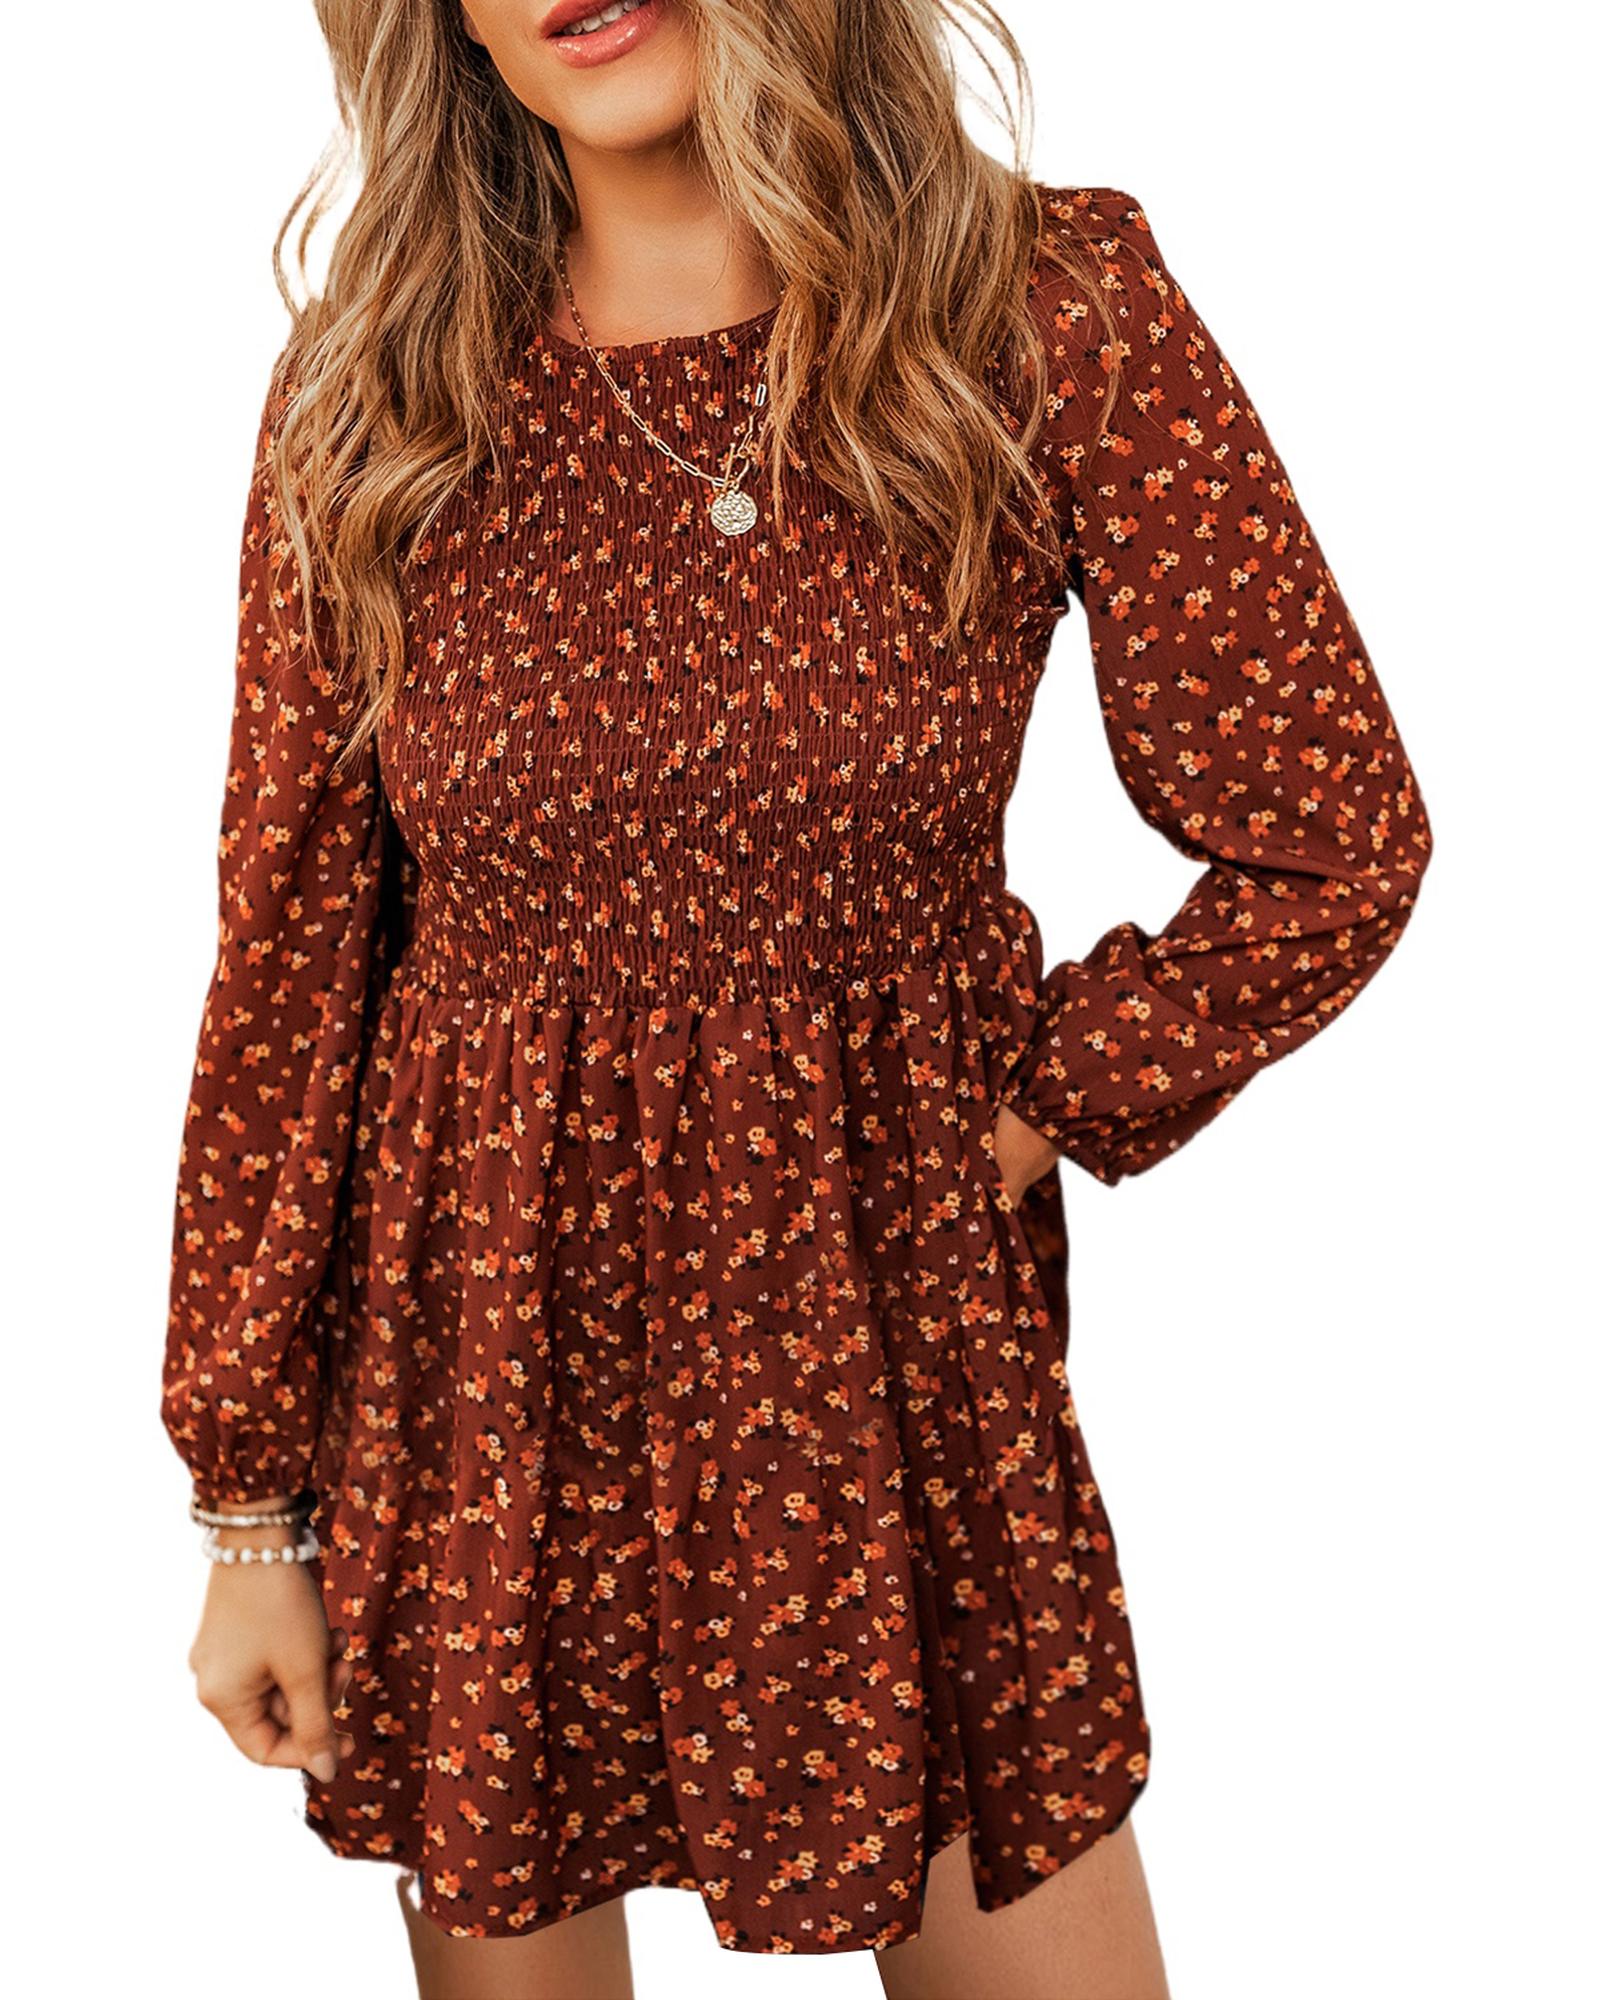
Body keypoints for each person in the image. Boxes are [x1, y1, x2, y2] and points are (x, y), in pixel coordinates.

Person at [161, 3, 1431, 1996]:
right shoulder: (377, 389)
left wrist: (1039, 1109)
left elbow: (1329, 831)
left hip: (890, 1374)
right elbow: (291, 965)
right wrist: (247, 1507)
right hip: (487, 1380)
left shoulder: (1037, 309)